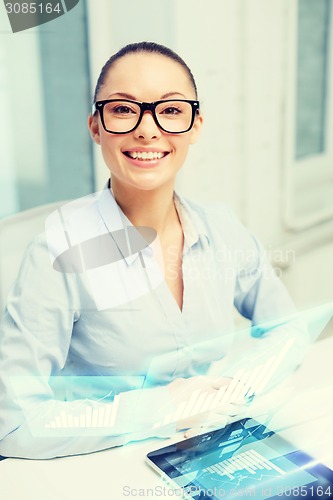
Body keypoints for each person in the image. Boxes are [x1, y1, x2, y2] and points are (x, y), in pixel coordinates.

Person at [0, 42, 307, 459]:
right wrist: (160, 409)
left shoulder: (222, 228)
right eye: (124, 109)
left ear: (196, 125)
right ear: (96, 127)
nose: (147, 129)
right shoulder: (57, 254)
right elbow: (14, 423)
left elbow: (289, 328)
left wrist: (236, 388)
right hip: (102, 466)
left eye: (172, 110)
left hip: (215, 446)